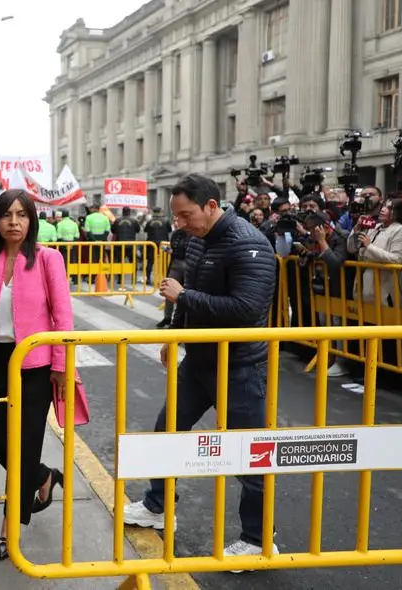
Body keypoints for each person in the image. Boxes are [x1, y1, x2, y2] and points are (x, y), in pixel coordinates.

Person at [123, 173, 279, 571]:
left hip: (240, 366)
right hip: (199, 362)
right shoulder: (197, 239)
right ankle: (157, 506)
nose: (180, 223)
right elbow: (190, 296)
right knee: (167, 430)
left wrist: (184, 296)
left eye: (186, 215)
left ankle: (258, 541)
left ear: (212, 206)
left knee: (251, 455)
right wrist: (173, 335)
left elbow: (246, 309)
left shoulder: (249, 243)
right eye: (176, 217)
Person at [0, 189, 74, 561]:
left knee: (24, 447)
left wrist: (62, 366)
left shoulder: (48, 259)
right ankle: (42, 477)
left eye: (21, 215)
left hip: (35, 366)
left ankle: (9, 531)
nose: (14, 222)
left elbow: (63, 316)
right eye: (6, 215)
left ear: (32, 220)